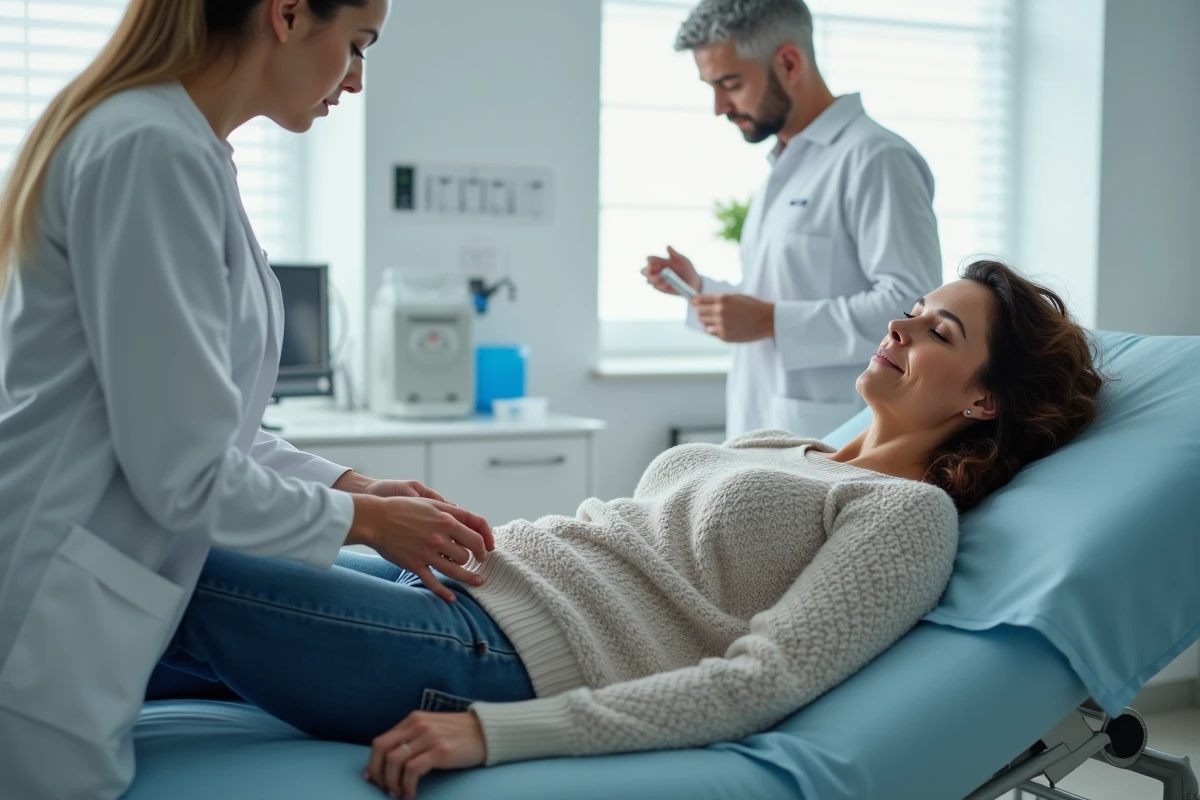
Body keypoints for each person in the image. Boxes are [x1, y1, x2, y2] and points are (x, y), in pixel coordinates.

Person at [149, 261, 1104, 800]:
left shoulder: (908, 514)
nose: (900, 328)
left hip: (498, 657)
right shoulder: (789, 447)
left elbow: (760, 682)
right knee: (134, 616)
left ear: (984, 401)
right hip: (462, 584)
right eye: (912, 312)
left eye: (939, 333)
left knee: (165, 564)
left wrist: (498, 732)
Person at [0, 2, 497, 798]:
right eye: (357, 45)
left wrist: (356, 488)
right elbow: (186, 472)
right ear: (289, 14)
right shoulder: (151, 150)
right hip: (46, 598)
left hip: (88, 585)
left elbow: (203, 421)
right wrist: (366, 522)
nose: (357, 80)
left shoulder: (187, 151)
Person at [643, 0, 943, 439]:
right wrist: (701, 289)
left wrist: (771, 321)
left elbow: (911, 308)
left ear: (789, 63)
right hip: (763, 428)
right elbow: (784, 293)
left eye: (731, 84)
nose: (719, 106)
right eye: (712, 87)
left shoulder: (877, 158)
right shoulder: (786, 166)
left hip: (833, 438)